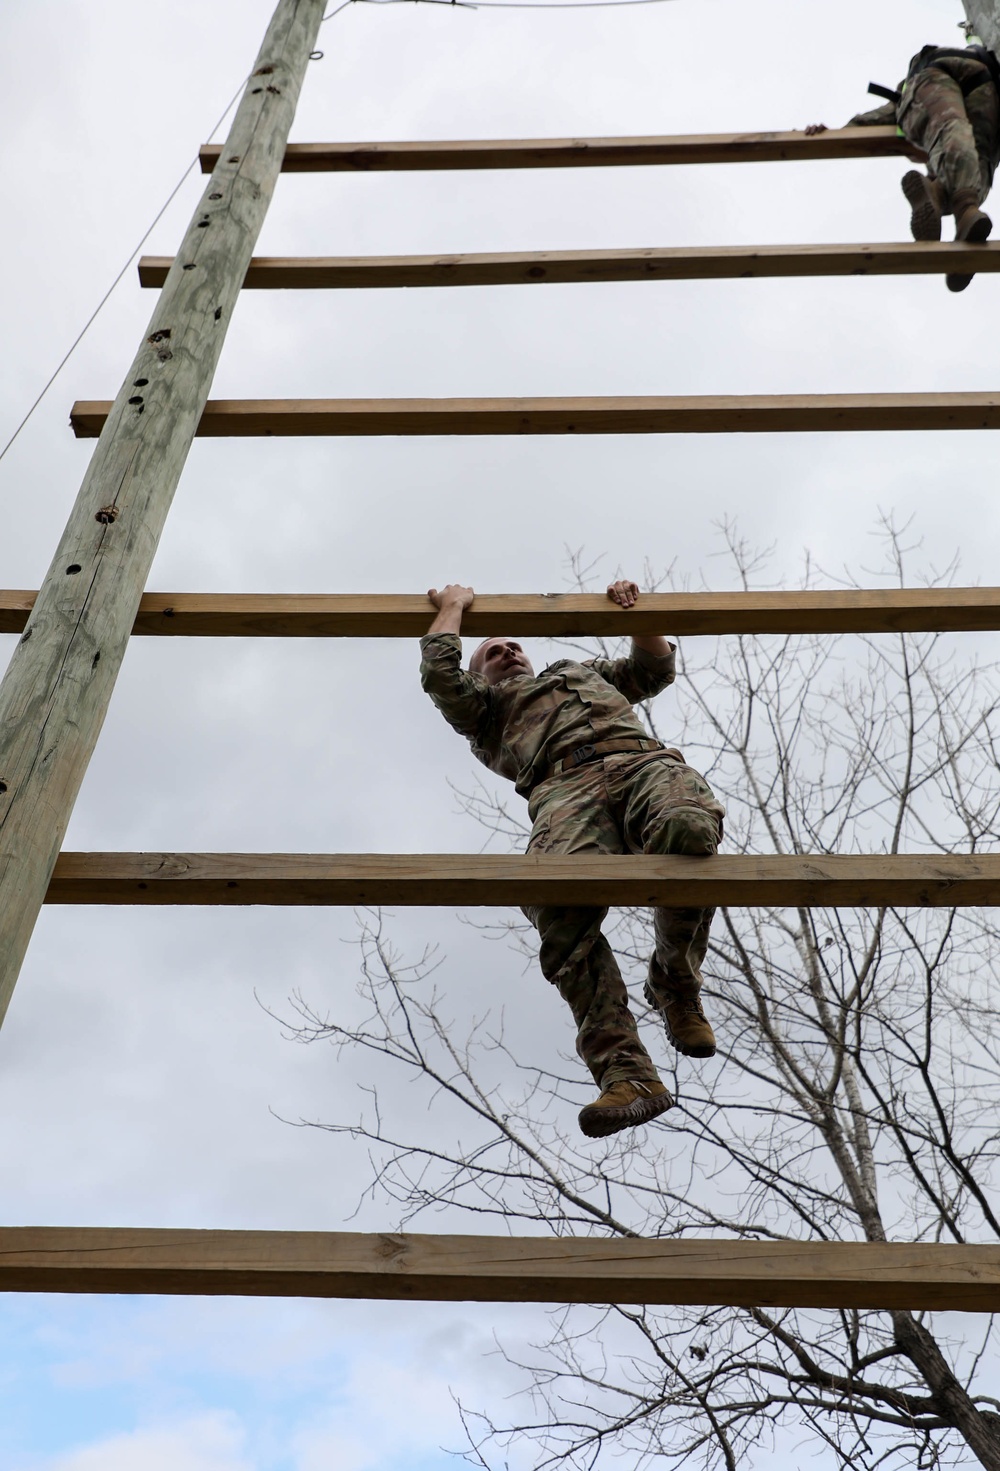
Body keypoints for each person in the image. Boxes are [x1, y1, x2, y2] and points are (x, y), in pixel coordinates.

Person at [419, 578, 725, 1141]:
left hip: (642, 766)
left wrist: (635, 611)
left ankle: (675, 983)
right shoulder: (485, 710)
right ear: (480, 671)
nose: (507, 651)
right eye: (492, 652)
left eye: (512, 645)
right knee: (555, 901)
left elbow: (652, 667)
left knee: (687, 829)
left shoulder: (580, 671)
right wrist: (455, 607)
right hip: (564, 791)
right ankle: (628, 1074)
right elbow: (440, 675)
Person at [807, 28, 1000, 291]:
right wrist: (831, 135)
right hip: (938, 73)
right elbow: (872, 121)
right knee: (952, 130)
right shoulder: (910, 96)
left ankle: (943, 201)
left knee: (978, 168)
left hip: (987, 85)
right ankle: (964, 211)